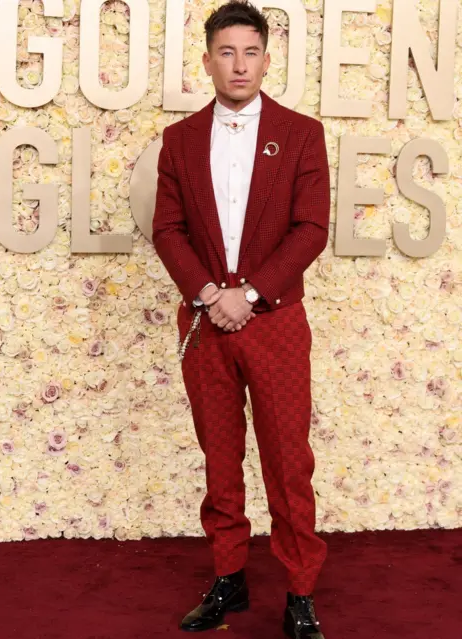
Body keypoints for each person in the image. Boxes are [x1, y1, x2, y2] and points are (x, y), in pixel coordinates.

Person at [152, 1, 330, 637]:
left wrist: (248, 294)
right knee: (219, 459)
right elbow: (167, 229)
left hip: (274, 320)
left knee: (288, 462)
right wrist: (207, 292)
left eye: (250, 52)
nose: (239, 64)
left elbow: (311, 229)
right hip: (206, 322)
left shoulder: (302, 133)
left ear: (266, 58)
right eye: (226, 52)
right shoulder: (179, 140)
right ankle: (229, 579)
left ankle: (300, 592)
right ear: (207, 61)